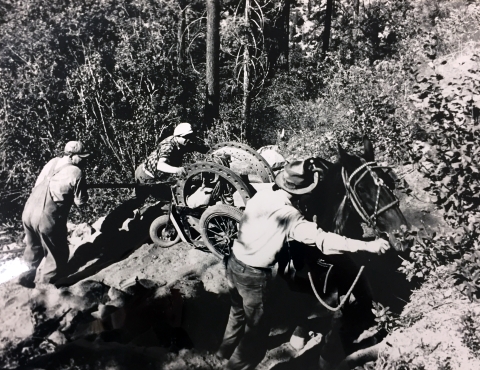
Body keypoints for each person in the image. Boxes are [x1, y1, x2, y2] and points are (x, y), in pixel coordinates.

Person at [215, 159, 390, 370]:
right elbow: (323, 240)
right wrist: (367, 246)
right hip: (254, 278)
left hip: (233, 264)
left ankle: (223, 352)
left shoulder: (263, 194)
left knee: (236, 313)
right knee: (256, 337)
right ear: (301, 193)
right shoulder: (290, 216)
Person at [19, 141, 90, 287]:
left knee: (33, 247)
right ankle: (47, 286)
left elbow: (37, 185)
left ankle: (27, 276)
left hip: (28, 212)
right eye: (81, 157)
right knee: (57, 253)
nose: (84, 160)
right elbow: (80, 202)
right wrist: (82, 188)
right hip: (46, 217)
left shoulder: (52, 162)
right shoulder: (76, 172)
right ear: (71, 156)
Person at [133, 122, 210, 204]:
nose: (189, 139)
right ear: (177, 136)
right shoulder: (168, 145)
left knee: (172, 198)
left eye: (190, 136)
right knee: (138, 200)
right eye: (186, 137)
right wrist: (177, 170)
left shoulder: (184, 143)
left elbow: (202, 149)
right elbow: (160, 165)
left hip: (158, 177)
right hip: (146, 175)